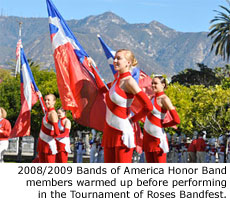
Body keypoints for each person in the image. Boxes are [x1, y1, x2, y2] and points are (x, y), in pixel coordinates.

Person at [88, 49, 153, 163]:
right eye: (114, 58)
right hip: (109, 131)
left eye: (119, 58)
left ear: (128, 62)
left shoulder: (129, 82)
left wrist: (133, 120)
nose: (115, 61)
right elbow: (102, 88)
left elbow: (148, 106)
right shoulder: (116, 81)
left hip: (122, 132)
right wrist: (93, 67)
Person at [143, 75, 180, 163]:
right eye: (152, 83)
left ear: (163, 84)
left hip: (158, 139)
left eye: (155, 83)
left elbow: (177, 120)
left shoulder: (164, 99)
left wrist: (163, 125)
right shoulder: (152, 98)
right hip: (147, 138)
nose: (152, 85)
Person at [37, 93, 60, 163]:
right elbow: (43, 105)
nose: (46, 102)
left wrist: (48, 137)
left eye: (48, 100)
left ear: (54, 102)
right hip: (42, 145)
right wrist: (39, 95)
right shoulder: (47, 112)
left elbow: (57, 132)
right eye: (45, 100)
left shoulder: (52, 114)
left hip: (48, 145)